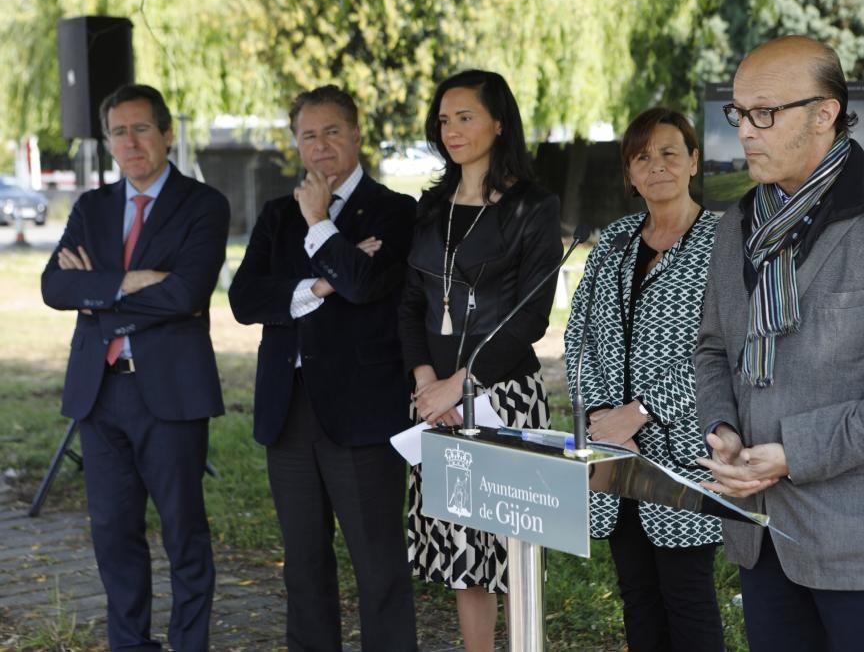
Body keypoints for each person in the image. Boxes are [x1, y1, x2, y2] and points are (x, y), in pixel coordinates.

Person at [694, 35, 864, 651]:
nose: (745, 131)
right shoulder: (737, 226)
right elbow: (712, 348)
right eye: (738, 114)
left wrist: (795, 451)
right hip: (763, 535)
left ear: (824, 114)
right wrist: (724, 427)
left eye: (765, 113)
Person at [228, 85, 418, 651]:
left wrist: (321, 225)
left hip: (362, 416)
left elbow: (363, 287)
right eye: (308, 135)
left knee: (378, 564)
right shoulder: (274, 215)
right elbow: (243, 300)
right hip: (287, 412)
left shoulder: (397, 211)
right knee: (304, 566)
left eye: (332, 131)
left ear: (357, 135)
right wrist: (318, 283)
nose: (320, 145)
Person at [40, 84, 228, 651]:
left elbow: (188, 293)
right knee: (113, 537)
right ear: (108, 142)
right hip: (101, 395)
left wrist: (94, 294)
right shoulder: (91, 208)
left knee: (183, 533)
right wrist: (126, 282)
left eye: (142, 128)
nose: (131, 142)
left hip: (170, 394)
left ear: (167, 134)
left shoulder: (203, 205)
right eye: (119, 132)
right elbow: (54, 286)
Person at [398, 69, 562, 652]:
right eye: (444, 119)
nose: (452, 129)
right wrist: (425, 381)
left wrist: (459, 387)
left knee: (509, 547)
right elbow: (411, 303)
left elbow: (530, 317)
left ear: (498, 122)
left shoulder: (533, 207)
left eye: (465, 116)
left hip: (502, 399)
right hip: (434, 401)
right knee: (462, 551)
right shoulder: (432, 206)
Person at [563, 107, 725, 652]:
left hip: (683, 457)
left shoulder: (725, 242)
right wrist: (599, 417)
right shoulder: (613, 242)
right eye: (641, 156)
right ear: (629, 174)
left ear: (693, 161)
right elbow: (578, 338)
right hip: (614, 453)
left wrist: (641, 411)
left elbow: (724, 351)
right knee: (637, 598)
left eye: (668, 153)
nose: (655, 165)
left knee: (689, 602)